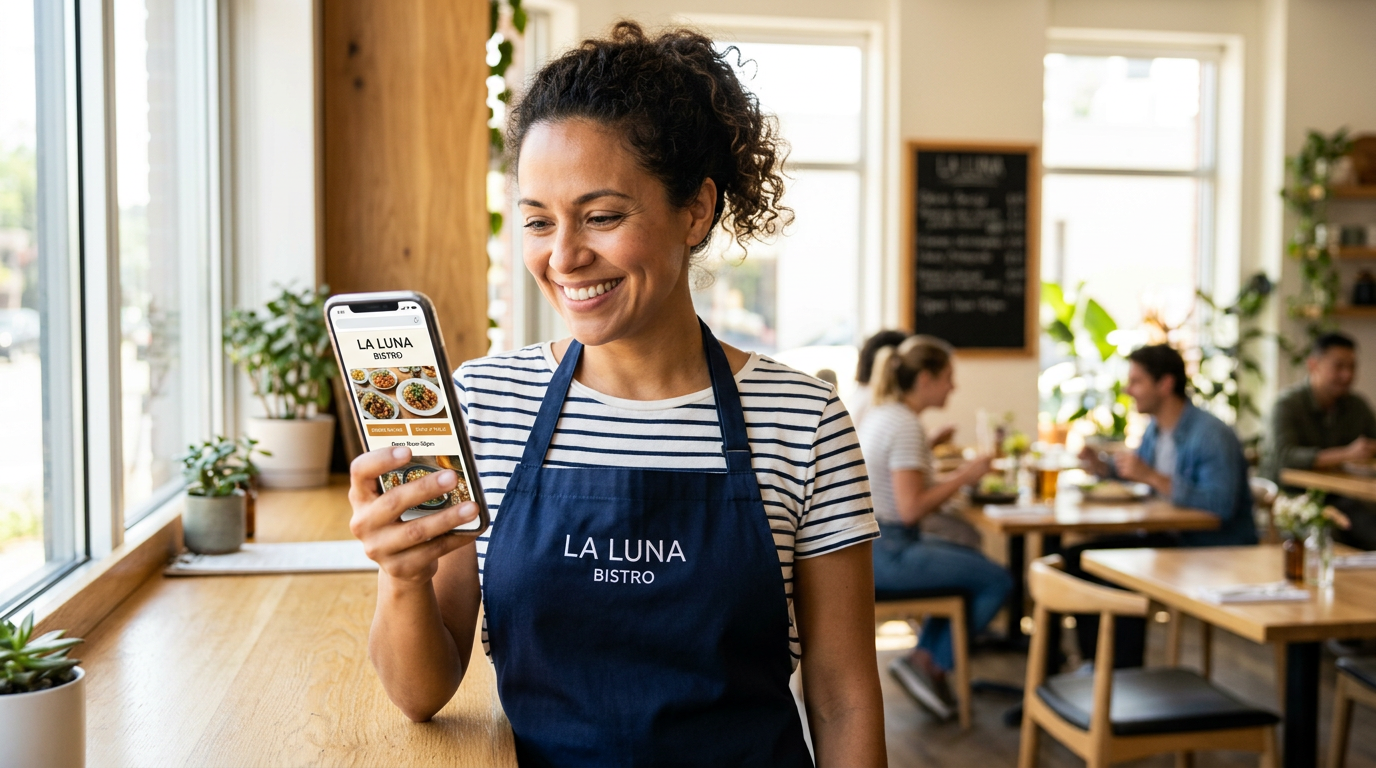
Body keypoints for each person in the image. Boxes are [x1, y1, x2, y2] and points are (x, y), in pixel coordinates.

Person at [346, 23, 886, 766]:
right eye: (538, 220)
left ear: (695, 210)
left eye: (601, 216)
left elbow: (843, 692)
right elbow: (421, 690)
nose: (564, 257)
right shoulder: (487, 404)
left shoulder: (803, 419)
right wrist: (402, 575)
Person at [1075, 343, 1257, 668]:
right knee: (1080, 560)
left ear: (1165, 384)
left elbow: (1220, 505)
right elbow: (1140, 473)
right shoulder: (1157, 429)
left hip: (1211, 549)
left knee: (1118, 569)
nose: (1129, 390)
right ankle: (1096, 668)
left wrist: (1153, 478)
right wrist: (1103, 467)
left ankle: (1121, 676)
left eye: (1137, 381)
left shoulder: (1211, 435)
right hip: (1171, 538)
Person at [859, 335, 1012, 721]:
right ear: (925, 379)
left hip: (872, 549)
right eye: (948, 376)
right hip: (891, 552)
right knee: (996, 580)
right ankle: (931, 663)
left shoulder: (885, 413)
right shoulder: (904, 425)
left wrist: (928, 444)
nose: (954, 386)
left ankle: (925, 659)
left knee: (967, 564)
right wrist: (968, 474)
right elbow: (911, 510)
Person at [1263, 331, 1376, 549]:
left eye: (1352, 367)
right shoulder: (1287, 405)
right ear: (1313, 365)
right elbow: (1285, 457)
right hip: (1294, 501)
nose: (1347, 375)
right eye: (1339, 367)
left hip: (1340, 498)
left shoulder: (1356, 406)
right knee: (1327, 536)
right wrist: (1346, 454)